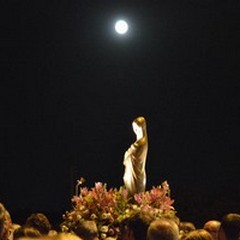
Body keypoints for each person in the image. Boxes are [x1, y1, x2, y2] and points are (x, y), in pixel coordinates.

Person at [123, 116, 148, 196]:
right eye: (134, 128)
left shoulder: (142, 143)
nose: (135, 130)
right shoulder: (138, 141)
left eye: (137, 128)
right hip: (131, 169)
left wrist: (128, 154)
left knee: (136, 190)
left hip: (137, 170)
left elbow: (135, 154)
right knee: (130, 190)